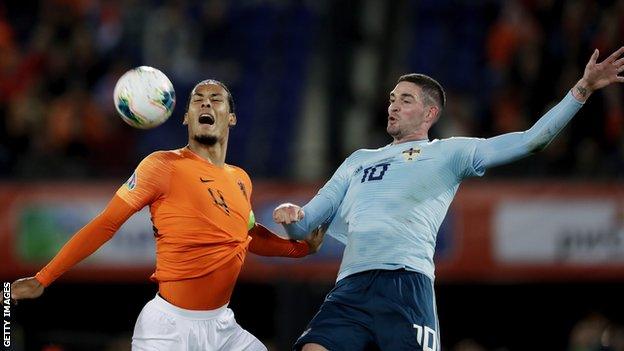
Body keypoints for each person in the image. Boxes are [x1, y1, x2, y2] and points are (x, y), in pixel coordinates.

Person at [273, 47, 624, 351]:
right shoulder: (358, 160)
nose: (393, 106)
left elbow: (532, 140)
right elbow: (306, 224)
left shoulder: (448, 153)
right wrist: (292, 217)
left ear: (430, 113)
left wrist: (583, 88)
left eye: (405, 100)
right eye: (392, 99)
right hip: (351, 286)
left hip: (406, 285)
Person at [10, 79, 325, 351]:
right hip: (168, 329)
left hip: (224, 330)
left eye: (215, 99)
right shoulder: (161, 166)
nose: (206, 103)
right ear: (187, 118)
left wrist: (301, 249)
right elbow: (106, 224)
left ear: (230, 118)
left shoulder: (241, 179)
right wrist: (43, 279)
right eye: (197, 100)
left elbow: (246, 236)